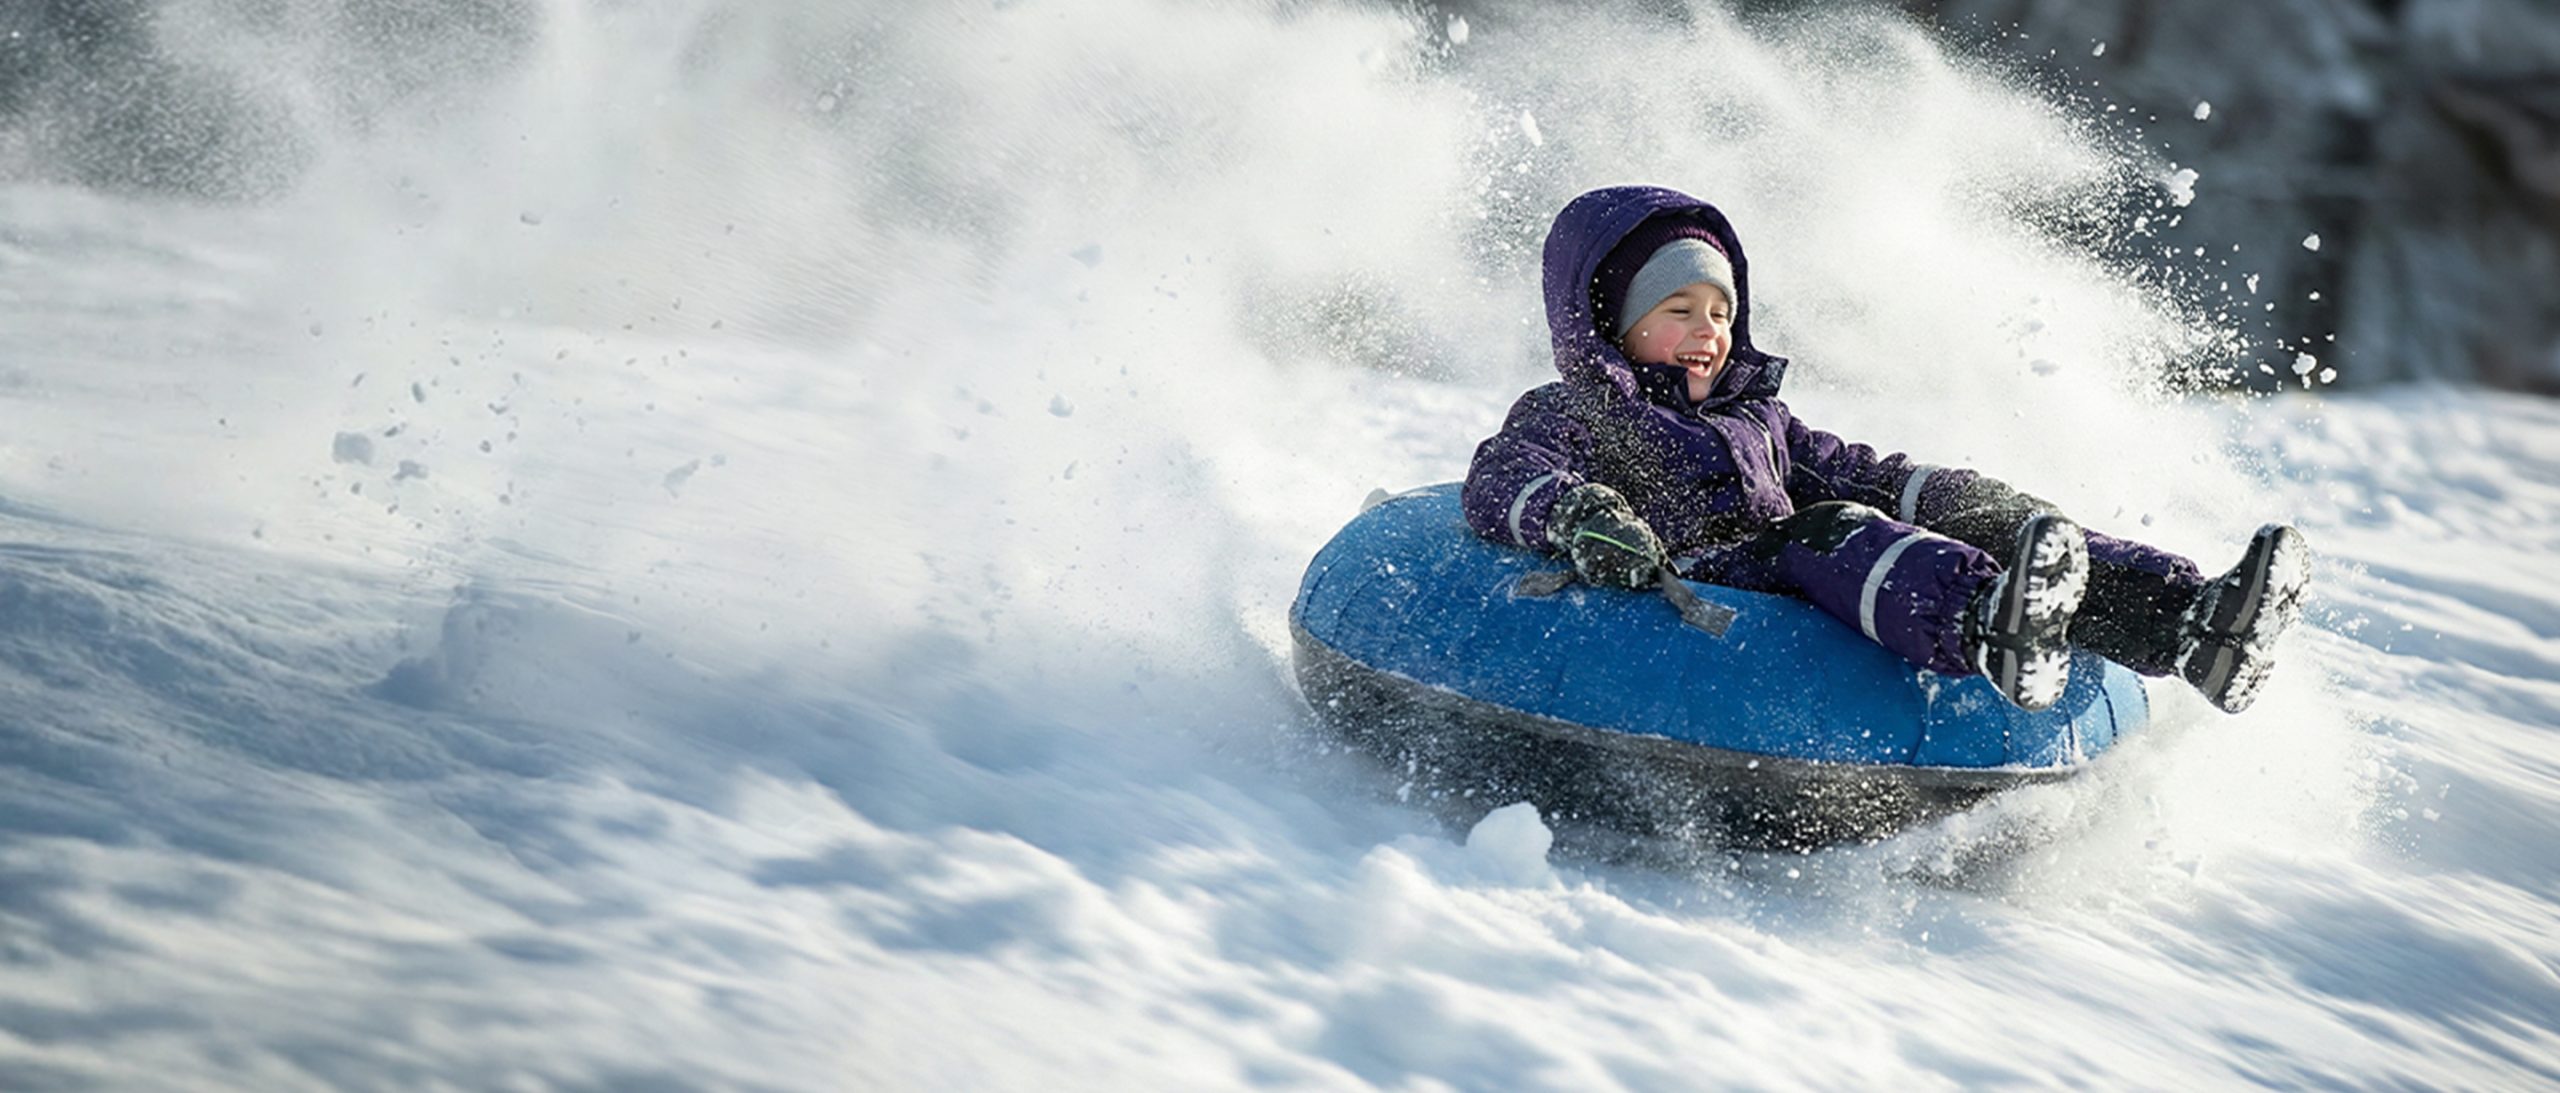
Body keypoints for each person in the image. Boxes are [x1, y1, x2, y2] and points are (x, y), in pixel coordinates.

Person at [1463, 185, 2309, 713]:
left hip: (1793, 567)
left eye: (1720, 313)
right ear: (1611, 321)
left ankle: (2187, 624)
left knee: (1932, 512)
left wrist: (1953, 494)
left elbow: (1852, 465)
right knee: (1821, 528)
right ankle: (1985, 624)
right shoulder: (1573, 409)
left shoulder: (1758, 418)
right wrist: (1582, 512)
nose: (1706, 333)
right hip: (1709, 583)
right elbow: (1502, 474)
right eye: (1677, 309)